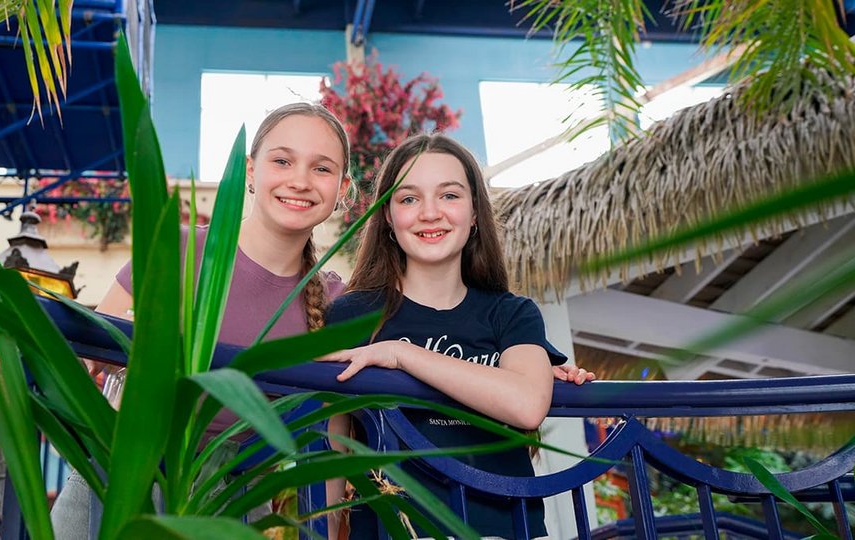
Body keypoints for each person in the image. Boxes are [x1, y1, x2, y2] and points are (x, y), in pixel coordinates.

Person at [51, 102, 353, 538]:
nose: (300, 181)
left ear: (342, 188)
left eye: (321, 169)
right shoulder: (174, 251)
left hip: (233, 506)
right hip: (121, 486)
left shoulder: (333, 303)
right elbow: (86, 360)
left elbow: (333, 434)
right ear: (250, 171)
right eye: (282, 160)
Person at [320, 134, 594, 540]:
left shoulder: (511, 314)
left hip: (506, 529)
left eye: (449, 195)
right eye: (409, 199)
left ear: (475, 213)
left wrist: (403, 355)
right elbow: (330, 456)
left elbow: (526, 405)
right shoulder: (351, 316)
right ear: (389, 219)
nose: (430, 213)